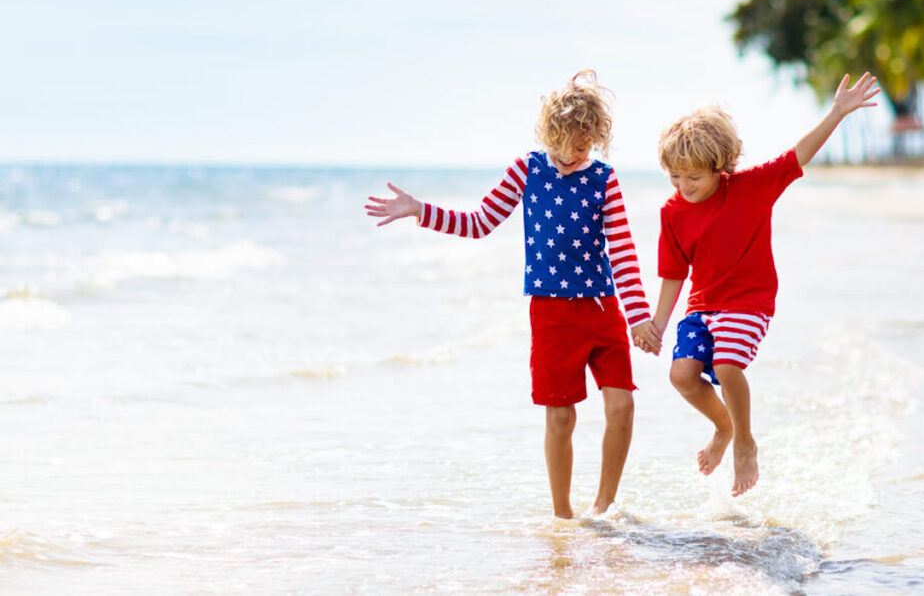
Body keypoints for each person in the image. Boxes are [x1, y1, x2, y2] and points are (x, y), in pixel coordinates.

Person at [364, 70, 661, 519]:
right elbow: (480, 222)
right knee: (560, 418)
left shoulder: (603, 179)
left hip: (602, 309)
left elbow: (622, 250)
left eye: (586, 144)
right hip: (551, 315)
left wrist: (638, 317)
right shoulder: (528, 169)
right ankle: (563, 517)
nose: (577, 153)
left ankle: (603, 506)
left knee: (622, 403)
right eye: (570, 143)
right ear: (551, 133)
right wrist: (420, 210)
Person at [650, 72, 880, 497]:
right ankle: (723, 427)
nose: (684, 187)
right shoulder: (672, 212)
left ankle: (744, 442)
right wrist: (659, 325)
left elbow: (799, 155)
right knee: (682, 375)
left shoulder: (752, 187)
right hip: (702, 306)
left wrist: (837, 113)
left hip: (749, 303)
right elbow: (673, 274)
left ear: (720, 168)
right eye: (675, 178)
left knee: (726, 365)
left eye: (693, 178)